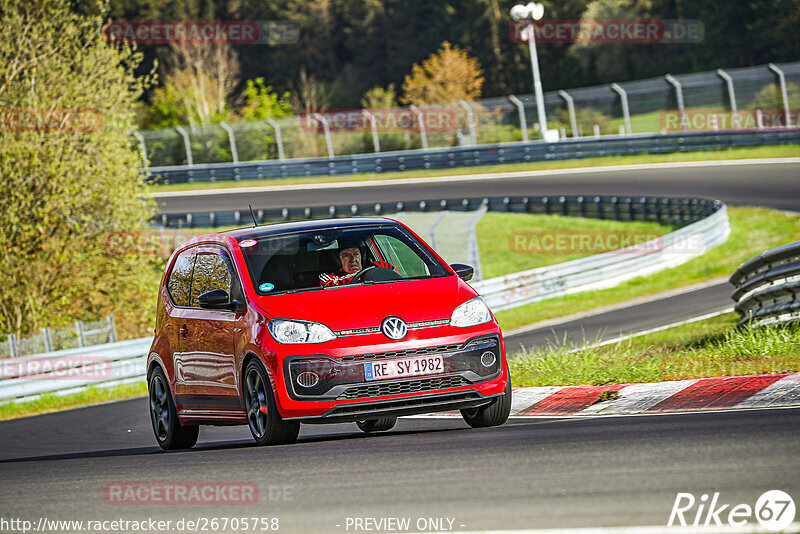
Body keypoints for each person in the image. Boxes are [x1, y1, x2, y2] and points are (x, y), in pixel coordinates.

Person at [318, 237, 393, 286]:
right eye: (346, 256)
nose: (353, 260)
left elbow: (388, 268)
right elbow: (335, 284)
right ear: (337, 261)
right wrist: (365, 274)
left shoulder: (375, 266)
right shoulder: (326, 277)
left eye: (356, 254)